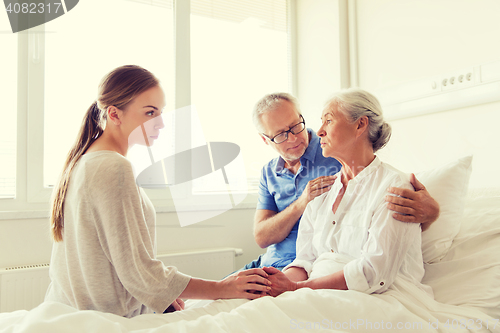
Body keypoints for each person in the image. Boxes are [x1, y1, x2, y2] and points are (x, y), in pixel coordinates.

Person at [44, 65, 271, 318]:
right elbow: (139, 272)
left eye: (161, 112)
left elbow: (123, 266)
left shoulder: (84, 160)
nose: (161, 123)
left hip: (71, 311)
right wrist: (223, 287)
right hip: (105, 318)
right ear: (114, 114)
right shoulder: (113, 167)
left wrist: (164, 295)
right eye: (150, 112)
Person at [262, 88, 434, 297]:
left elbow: (373, 274)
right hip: (314, 293)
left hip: (376, 298)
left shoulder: (395, 188)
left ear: (360, 124)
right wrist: (278, 283)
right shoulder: (320, 192)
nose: (319, 131)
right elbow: (305, 261)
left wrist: (296, 288)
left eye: (329, 120)